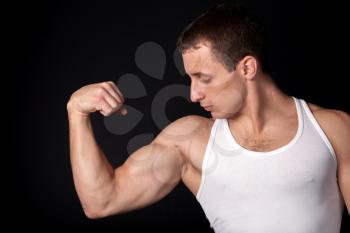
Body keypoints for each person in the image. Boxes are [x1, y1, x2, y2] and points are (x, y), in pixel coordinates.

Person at [67, 3, 349, 232]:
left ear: (247, 68)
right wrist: (77, 112)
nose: (193, 95)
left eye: (204, 78)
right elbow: (101, 201)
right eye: (190, 79)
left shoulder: (333, 128)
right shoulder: (191, 141)